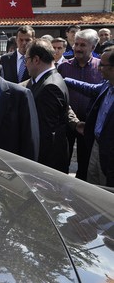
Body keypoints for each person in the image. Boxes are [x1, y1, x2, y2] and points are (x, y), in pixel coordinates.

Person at [64, 47, 114, 187]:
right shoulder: (107, 85)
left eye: (103, 65)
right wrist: (65, 79)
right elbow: (89, 88)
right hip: (96, 145)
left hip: (109, 153)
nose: (99, 69)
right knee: (93, 185)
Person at [58, 29, 103, 179]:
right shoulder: (64, 67)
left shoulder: (101, 68)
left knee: (85, 164)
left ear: (93, 47)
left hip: (90, 124)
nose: (77, 48)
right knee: (62, 161)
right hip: (67, 121)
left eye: (83, 45)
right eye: (76, 44)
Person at [23, 38, 70, 172]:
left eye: (26, 59)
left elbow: (46, 133)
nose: (25, 64)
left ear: (36, 59)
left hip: (47, 164)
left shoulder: (50, 86)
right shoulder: (48, 79)